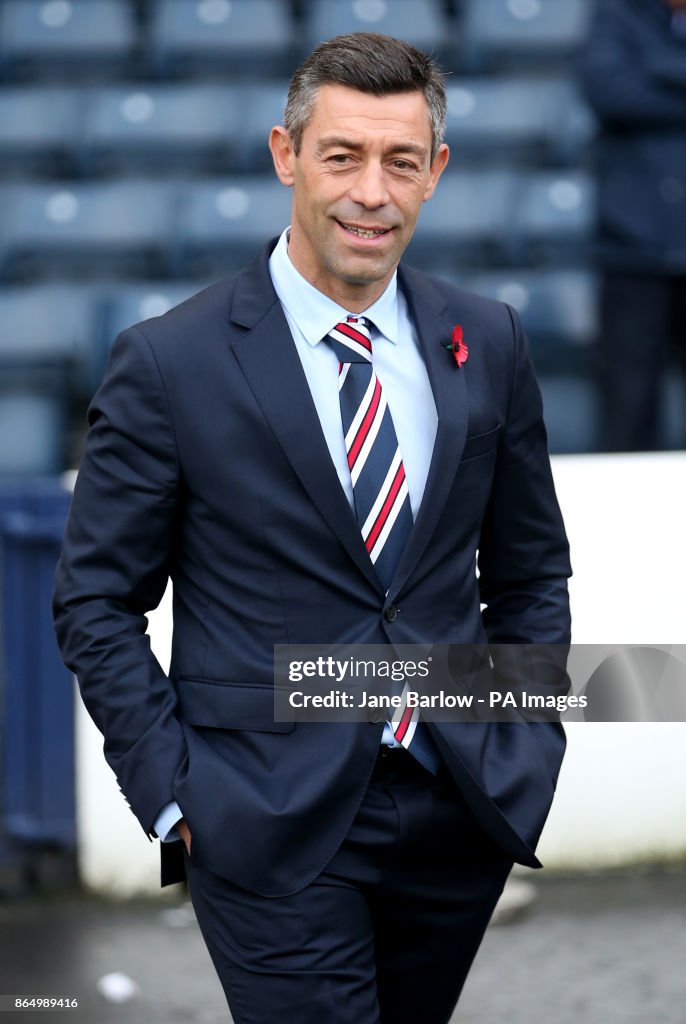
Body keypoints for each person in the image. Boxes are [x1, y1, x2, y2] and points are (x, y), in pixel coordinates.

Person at [53, 33, 571, 1024]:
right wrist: (174, 796)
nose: (370, 192)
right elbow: (95, 600)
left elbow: (529, 572)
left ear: (436, 173)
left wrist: (526, 741)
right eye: (341, 157)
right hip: (261, 820)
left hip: (455, 806)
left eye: (400, 162)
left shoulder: (488, 341)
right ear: (285, 155)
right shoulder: (168, 363)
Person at [578, 0, 686, 451]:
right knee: (629, 403)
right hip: (631, 247)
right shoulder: (615, 14)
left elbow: (632, 89)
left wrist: (655, 71)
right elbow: (609, 90)